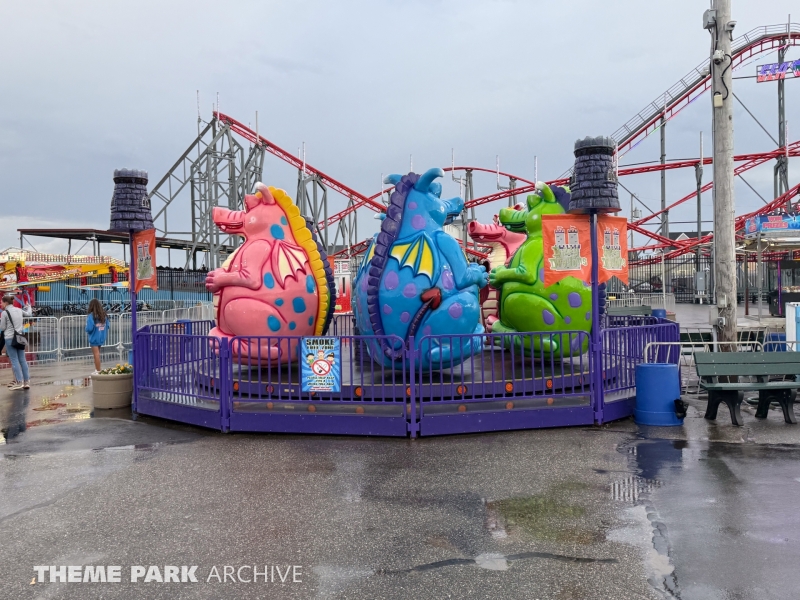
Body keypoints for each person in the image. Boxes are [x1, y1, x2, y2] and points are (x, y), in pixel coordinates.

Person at [1, 294, 32, 390]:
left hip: (10, 338)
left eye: (2, 302)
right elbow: (29, 314)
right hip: (20, 337)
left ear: (6, 303)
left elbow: (2, 327)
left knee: (14, 360)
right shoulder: (19, 310)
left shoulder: (5, 313)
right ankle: (26, 381)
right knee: (22, 359)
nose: (1, 304)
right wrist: (29, 307)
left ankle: (19, 382)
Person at [85, 299, 108, 374]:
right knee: (97, 354)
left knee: (96, 355)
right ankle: (97, 369)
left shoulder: (91, 316)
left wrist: (86, 329)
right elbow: (108, 326)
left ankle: (98, 370)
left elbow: (89, 328)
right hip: (101, 337)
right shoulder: (103, 315)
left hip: (94, 338)